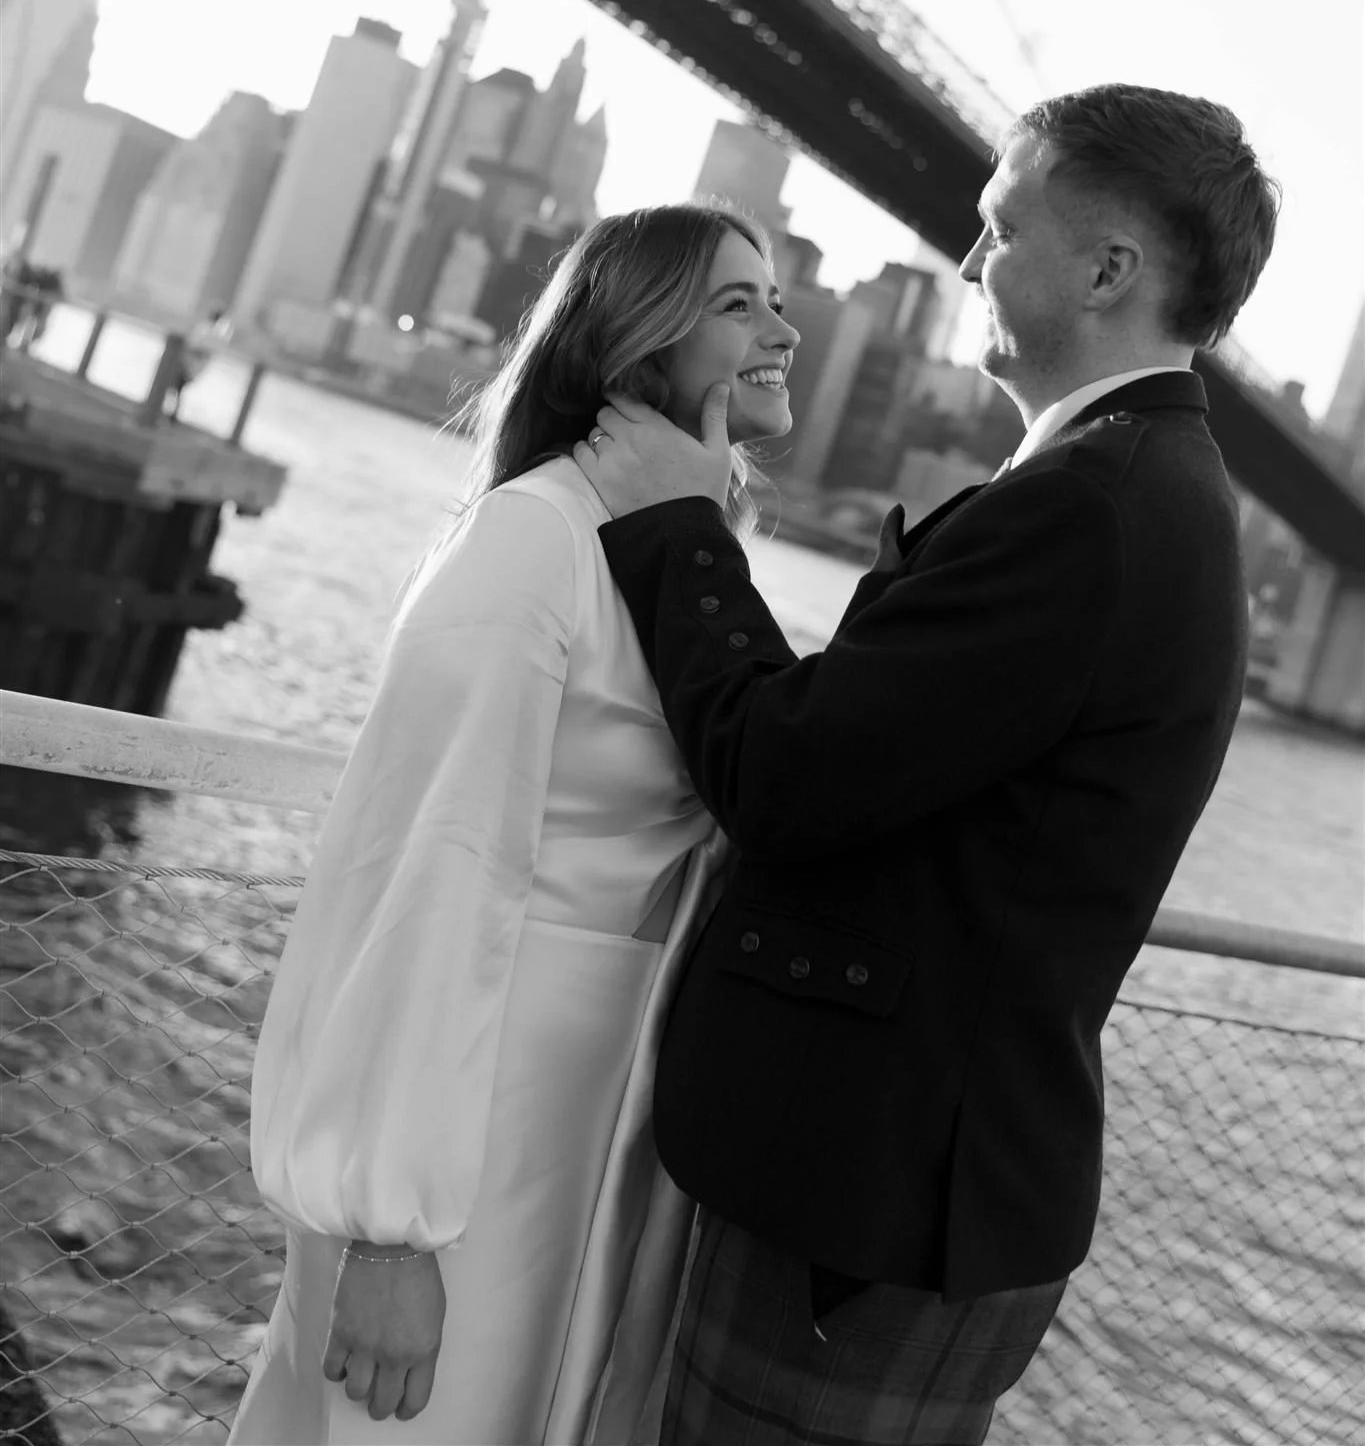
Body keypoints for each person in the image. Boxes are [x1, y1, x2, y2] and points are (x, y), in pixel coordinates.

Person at [577, 84, 1280, 1446]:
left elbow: (782, 777)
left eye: (998, 225)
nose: (966, 263)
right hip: (907, 1195)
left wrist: (675, 526)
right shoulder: (1140, 488)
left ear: (1109, 269)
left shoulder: (1093, 508)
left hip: (870, 1215)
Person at [228, 203, 800, 1445]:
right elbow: (424, 877)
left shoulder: (667, 547)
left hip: (594, 1118)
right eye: (738, 301)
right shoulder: (530, 542)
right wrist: (390, 1230)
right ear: (638, 340)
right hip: (472, 1143)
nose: (784, 329)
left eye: (776, 297)